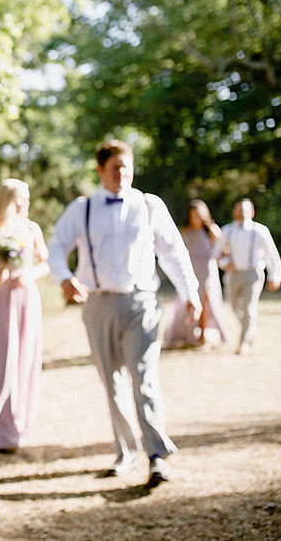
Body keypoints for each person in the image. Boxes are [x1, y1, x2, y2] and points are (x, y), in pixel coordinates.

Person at [48, 140, 200, 488]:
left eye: (127, 166)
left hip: (141, 302)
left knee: (144, 379)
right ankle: (125, 452)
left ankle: (157, 456)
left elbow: (173, 252)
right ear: (101, 170)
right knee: (112, 383)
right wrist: (65, 278)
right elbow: (56, 246)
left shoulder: (149, 205)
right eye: (115, 167)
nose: (123, 173)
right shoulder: (82, 208)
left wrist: (190, 292)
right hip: (98, 304)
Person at [0, 179, 49, 452]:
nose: (25, 204)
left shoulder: (31, 229)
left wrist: (29, 274)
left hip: (25, 299)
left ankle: (14, 427)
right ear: (6, 202)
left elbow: (44, 263)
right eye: (20, 200)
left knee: (23, 358)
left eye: (27, 199)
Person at [212, 198, 281, 355]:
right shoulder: (227, 231)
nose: (241, 212)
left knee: (249, 307)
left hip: (254, 273)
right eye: (238, 209)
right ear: (234, 211)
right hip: (234, 274)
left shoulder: (260, 231)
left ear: (252, 212)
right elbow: (216, 253)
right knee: (235, 307)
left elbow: (272, 255)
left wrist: (275, 276)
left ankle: (244, 342)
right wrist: (224, 263)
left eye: (245, 209)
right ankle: (250, 329)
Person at [162, 200, 230, 348]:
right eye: (192, 215)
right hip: (192, 268)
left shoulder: (212, 230)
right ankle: (189, 333)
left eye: (198, 215)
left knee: (207, 302)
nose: (195, 218)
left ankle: (203, 336)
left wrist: (221, 257)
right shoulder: (186, 231)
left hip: (207, 270)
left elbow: (222, 250)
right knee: (188, 301)